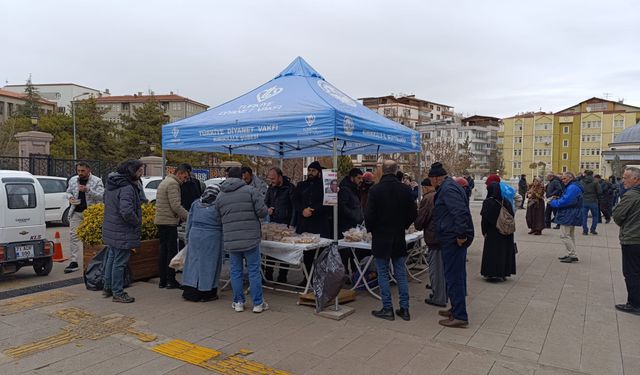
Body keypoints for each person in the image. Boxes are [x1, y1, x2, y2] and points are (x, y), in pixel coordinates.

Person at [365, 160, 417, 321]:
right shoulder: (405, 189)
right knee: (400, 273)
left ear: (382, 171)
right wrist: (403, 225)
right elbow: (413, 212)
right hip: (398, 236)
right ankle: (405, 308)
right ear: (396, 171)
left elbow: (369, 215)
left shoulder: (375, 190)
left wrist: (371, 229)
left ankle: (387, 308)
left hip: (381, 236)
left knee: (382, 272)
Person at [216, 167, 269, 313]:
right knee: (253, 270)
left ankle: (238, 302)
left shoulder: (220, 195)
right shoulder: (250, 191)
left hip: (231, 239)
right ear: (241, 177)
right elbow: (262, 212)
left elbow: (217, 216)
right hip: (251, 238)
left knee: (235, 271)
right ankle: (258, 304)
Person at [431, 162, 474, 328]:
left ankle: (460, 315)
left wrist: (461, 235)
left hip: (453, 238)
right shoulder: (450, 186)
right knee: (457, 275)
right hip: (452, 236)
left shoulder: (448, 189)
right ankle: (456, 308)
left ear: (435, 178)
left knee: (453, 276)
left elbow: (459, 212)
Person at [102, 159, 144, 303]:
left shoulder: (112, 183)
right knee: (119, 262)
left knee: (112, 258)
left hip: (113, 227)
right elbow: (126, 211)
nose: (141, 173)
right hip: (122, 230)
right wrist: (136, 222)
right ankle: (118, 292)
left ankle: (108, 287)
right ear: (131, 171)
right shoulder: (127, 187)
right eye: (139, 170)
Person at [182, 185, 224, 302]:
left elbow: (189, 222)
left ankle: (190, 291)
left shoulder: (196, 204)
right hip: (212, 237)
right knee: (209, 265)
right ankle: (207, 293)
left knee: (193, 263)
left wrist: (187, 238)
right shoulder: (218, 206)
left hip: (195, 235)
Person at [292, 161, 330, 284]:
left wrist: (314, 211)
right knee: (307, 254)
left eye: (313, 171)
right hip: (304, 224)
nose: (311, 173)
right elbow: (295, 200)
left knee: (319, 254)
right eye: (309, 170)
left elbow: (328, 204)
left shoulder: (326, 186)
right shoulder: (301, 185)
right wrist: (302, 210)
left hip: (320, 224)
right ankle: (307, 277)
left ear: (319, 172)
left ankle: (319, 278)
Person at [154, 164, 190, 289]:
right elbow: (176, 206)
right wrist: (190, 217)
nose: (185, 180)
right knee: (171, 252)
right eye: (185, 177)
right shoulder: (173, 184)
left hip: (161, 221)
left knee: (163, 251)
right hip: (169, 222)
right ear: (180, 173)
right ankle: (170, 280)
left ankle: (162, 280)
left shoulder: (165, 181)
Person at [65, 162, 104, 273]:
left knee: (91, 238)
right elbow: (67, 192)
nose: (80, 173)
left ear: (88, 170)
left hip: (91, 213)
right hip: (76, 212)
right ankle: (74, 261)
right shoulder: (73, 180)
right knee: (73, 236)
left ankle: (92, 260)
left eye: (83, 171)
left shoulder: (97, 181)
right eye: (78, 171)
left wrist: (88, 190)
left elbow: (102, 196)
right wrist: (70, 197)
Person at [612, 167, 640, 315]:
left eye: (626, 177)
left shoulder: (632, 195)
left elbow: (617, 215)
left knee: (631, 272)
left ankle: (634, 304)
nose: (623, 181)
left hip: (633, 239)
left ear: (636, 179)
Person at [414, 178, 446, 307]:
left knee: (435, 269)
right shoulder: (439, 194)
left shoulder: (427, 198)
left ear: (425, 187)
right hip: (442, 236)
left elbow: (421, 220)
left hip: (434, 238)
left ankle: (439, 298)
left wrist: (416, 224)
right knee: (441, 269)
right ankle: (441, 294)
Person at [264, 167, 295, 283]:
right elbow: (265, 203)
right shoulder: (271, 188)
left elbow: (294, 208)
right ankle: (268, 274)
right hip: (273, 224)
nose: (271, 180)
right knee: (271, 251)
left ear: (280, 177)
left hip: (286, 224)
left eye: (273, 178)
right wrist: (268, 209)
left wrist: (292, 224)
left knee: (284, 251)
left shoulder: (290, 188)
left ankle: (282, 276)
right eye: (270, 178)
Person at [481, 182, 517, 281]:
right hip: (506, 231)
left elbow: (484, 220)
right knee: (504, 252)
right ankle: (504, 272)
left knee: (493, 253)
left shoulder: (488, 202)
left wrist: (484, 232)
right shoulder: (506, 201)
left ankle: (491, 273)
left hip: (493, 232)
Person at [549, 172, 584, 263]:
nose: (562, 180)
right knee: (570, 235)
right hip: (571, 213)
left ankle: (572, 255)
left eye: (564, 179)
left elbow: (566, 201)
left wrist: (553, 202)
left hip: (569, 213)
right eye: (562, 179)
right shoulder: (573, 186)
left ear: (570, 178)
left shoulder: (572, 187)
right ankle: (571, 253)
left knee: (564, 235)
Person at [338, 168, 364, 274]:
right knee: (345, 252)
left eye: (361, 178)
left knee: (354, 252)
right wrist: (355, 216)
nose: (361, 180)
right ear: (352, 178)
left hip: (354, 225)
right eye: (358, 178)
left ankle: (354, 273)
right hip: (346, 226)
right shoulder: (345, 189)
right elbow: (342, 207)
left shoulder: (354, 188)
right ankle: (345, 274)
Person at [580, 170, 602, 235]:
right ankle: (593, 230)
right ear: (592, 175)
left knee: (584, 216)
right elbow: (600, 191)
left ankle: (585, 230)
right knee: (595, 216)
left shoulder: (582, 182)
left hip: (584, 201)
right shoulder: (595, 182)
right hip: (593, 201)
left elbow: (579, 190)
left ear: (586, 174)